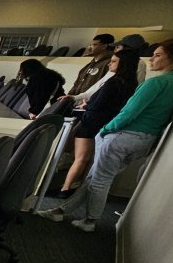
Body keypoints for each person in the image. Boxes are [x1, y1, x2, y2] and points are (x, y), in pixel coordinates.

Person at [38, 39, 173, 232]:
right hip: (145, 140)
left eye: (158, 55)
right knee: (94, 177)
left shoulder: (155, 83)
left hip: (123, 136)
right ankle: (60, 211)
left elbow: (129, 112)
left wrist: (105, 130)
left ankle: (90, 221)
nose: (152, 58)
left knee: (99, 180)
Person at [52, 48, 140, 199]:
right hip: (106, 124)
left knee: (80, 158)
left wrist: (87, 105)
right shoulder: (132, 83)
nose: (109, 65)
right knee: (90, 160)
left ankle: (65, 189)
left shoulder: (113, 82)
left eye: (113, 62)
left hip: (91, 123)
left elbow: (98, 103)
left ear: (123, 64)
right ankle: (79, 191)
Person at [64, 34, 148, 107]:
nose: (115, 50)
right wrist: (75, 97)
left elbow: (136, 90)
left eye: (118, 47)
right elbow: (97, 87)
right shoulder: (115, 64)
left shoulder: (139, 64)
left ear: (128, 49)